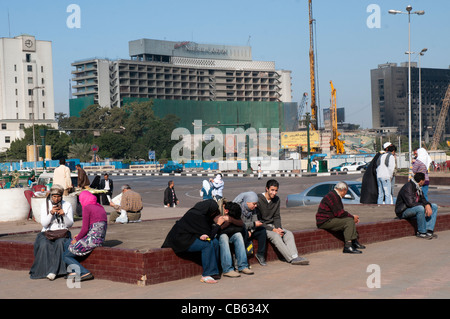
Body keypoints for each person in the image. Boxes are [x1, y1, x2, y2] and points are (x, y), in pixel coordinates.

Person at [162, 199, 225, 284]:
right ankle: (206, 275)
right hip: (181, 240)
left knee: (215, 242)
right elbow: (209, 235)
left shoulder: (202, 213)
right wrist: (218, 224)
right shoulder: (198, 216)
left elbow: (205, 232)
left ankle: (214, 270)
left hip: (190, 236)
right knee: (207, 244)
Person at [257, 179, 309, 265]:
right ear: (267, 189)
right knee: (275, 236)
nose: (274, 193)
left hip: (273, 226)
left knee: (288, 233)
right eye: (272, 190)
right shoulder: (258, 199)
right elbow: (258, 221)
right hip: (262, 227)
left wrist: (279, 229)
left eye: (276, 190)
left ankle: (295, 256)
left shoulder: (277, 200)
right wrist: (274, 230)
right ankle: (290, 259)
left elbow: (277, 216)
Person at [29, 184, 74, 280]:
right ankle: (44, 271)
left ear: (61, 196)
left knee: (60, 243)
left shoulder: (67, 205)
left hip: (62, 233)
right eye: (54, 197)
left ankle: (54, 271)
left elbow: (70, 224)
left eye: (58, 197)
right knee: (44, 244)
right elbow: (44, 224)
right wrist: (51, 214)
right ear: (51, 196)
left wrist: (64, 215)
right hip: (47, 233)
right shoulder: (45, 205)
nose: (56, 199)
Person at [63, 190, 108, 282]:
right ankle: (73, 271)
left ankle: (84, 272)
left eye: (80, 200)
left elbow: (85, 229)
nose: (80, 202)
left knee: (65, 256)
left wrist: (78, 239)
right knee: (67, 243)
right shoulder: (100, 207)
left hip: (92, 240)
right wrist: (79, 236)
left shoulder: (87, 207)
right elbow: (95, 228)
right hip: (99, 239)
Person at [316, 182, 365, 254]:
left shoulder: (334, 195)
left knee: (349, 219)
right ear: (343, 190)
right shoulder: (334, 196)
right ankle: (348, 246)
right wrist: (352, 217)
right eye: (346, 192)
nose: (345, 194)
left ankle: (354, 241)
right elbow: (339, 213)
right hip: (325, 221)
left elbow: (339, 213)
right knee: (349, 221)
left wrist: (352, 217)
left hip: (329, 219)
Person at [395, 172, 438, 239]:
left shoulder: (418, 188)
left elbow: (423, 200)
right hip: (403, 211)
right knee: (420, 208)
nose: (425, 182)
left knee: (434, 206)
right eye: (424, 180)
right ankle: (422, 232)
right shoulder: (408, 187)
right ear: (421, 181)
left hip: (413, 209)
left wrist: (427, 205)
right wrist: (425, 206)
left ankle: (429, 230)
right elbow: (410, 203)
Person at [219, 200, 254, 277]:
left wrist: (230, 220)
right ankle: (227, 269)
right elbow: (218, 230)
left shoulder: (233, 215)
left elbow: (241, 224)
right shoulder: (217, 213)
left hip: (230, 236)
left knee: (238, 235)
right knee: (223, 237)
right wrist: (225, 222)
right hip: (220, 237)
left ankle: (243, 266)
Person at [233, 191, 267, 267]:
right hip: (239, 231)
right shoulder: (238, 209)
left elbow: (255, 220)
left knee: (262, 231)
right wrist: (252, 226)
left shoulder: (253, 210)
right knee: (243, 233)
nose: (255, 206)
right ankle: (239, 259)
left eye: (256, 204)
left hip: (250, 230)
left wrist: (251, 230)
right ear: (247, 202)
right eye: (254, 204)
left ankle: (260, 254)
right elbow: (239, 224)